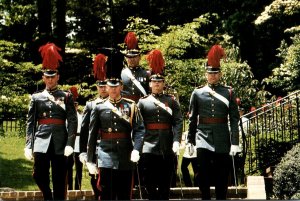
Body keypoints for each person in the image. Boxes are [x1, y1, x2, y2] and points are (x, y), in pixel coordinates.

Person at [85, 56, 145, 200]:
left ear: (121, 87)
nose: (113, 89)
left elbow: (140, 129)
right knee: (107, 193)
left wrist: (137, 149)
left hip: (126, 155)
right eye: (110, 86)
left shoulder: (131, 106)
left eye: (116, 86)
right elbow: (92, 135)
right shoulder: (99, 108)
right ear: (106, 87)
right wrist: (90, 160)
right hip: (105, 155)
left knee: (124, 194)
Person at [24, 42, 78, 200]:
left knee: (60, 178)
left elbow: (73, 121)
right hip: (41, 140)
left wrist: (70, 143)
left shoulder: (66, 96)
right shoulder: (36, 97)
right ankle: (48, 195)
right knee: (38, 174)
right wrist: (28, 145)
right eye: (47, 77)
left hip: (60, 142)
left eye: (52, 77)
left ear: (57, 77)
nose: (50, 80)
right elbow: (30, 122)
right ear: (43, 78)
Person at [187, 45, 241, 200]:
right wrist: (190, 141)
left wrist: (235, 142)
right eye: (210, 73)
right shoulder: (197, 93)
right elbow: (192, 118)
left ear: (220, 74)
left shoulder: (228, 92)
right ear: (206, 74)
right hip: (202, 136)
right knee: (203, 173)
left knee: (222, 175)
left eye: (215, 73)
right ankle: (205, 197)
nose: (213, 76)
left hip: (222, 137)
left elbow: (234, 118)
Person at [137, 49, 183, 200]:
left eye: (159, 82)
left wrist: (176, 141)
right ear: (149, 84)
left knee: (165, 183)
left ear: (163, 83)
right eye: (154, 82)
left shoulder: (171, 101)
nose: (157, 84)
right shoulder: (142, 102)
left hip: (166, 145)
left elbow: (178, 121)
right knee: (148, 182)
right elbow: (138, 125)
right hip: (148, 146)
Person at [78, 53, 109, 200]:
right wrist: (83, 152)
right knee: (94, 176)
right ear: (97, 86)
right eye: (100, 86)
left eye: (105, 86)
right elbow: (84, 131)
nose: (103, 89)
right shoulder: (90, 105)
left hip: (111, 148)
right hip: (95, 148)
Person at [121, 31, 150, 102]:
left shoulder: (146, 73)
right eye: (129, 57)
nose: (132, 60)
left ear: (139, 57)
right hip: (125, 105)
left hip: (142, 104)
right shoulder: (122, 73)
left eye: (134, 57)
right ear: (126, 58)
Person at [66, 86, 83, 190]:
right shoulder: (66, 116)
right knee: (68, 167)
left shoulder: (81, 116)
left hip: (79, 143)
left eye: (76, 105)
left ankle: (78, 187)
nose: (74, 107)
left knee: (79, 168)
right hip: (69, 142)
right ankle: (69, 187)